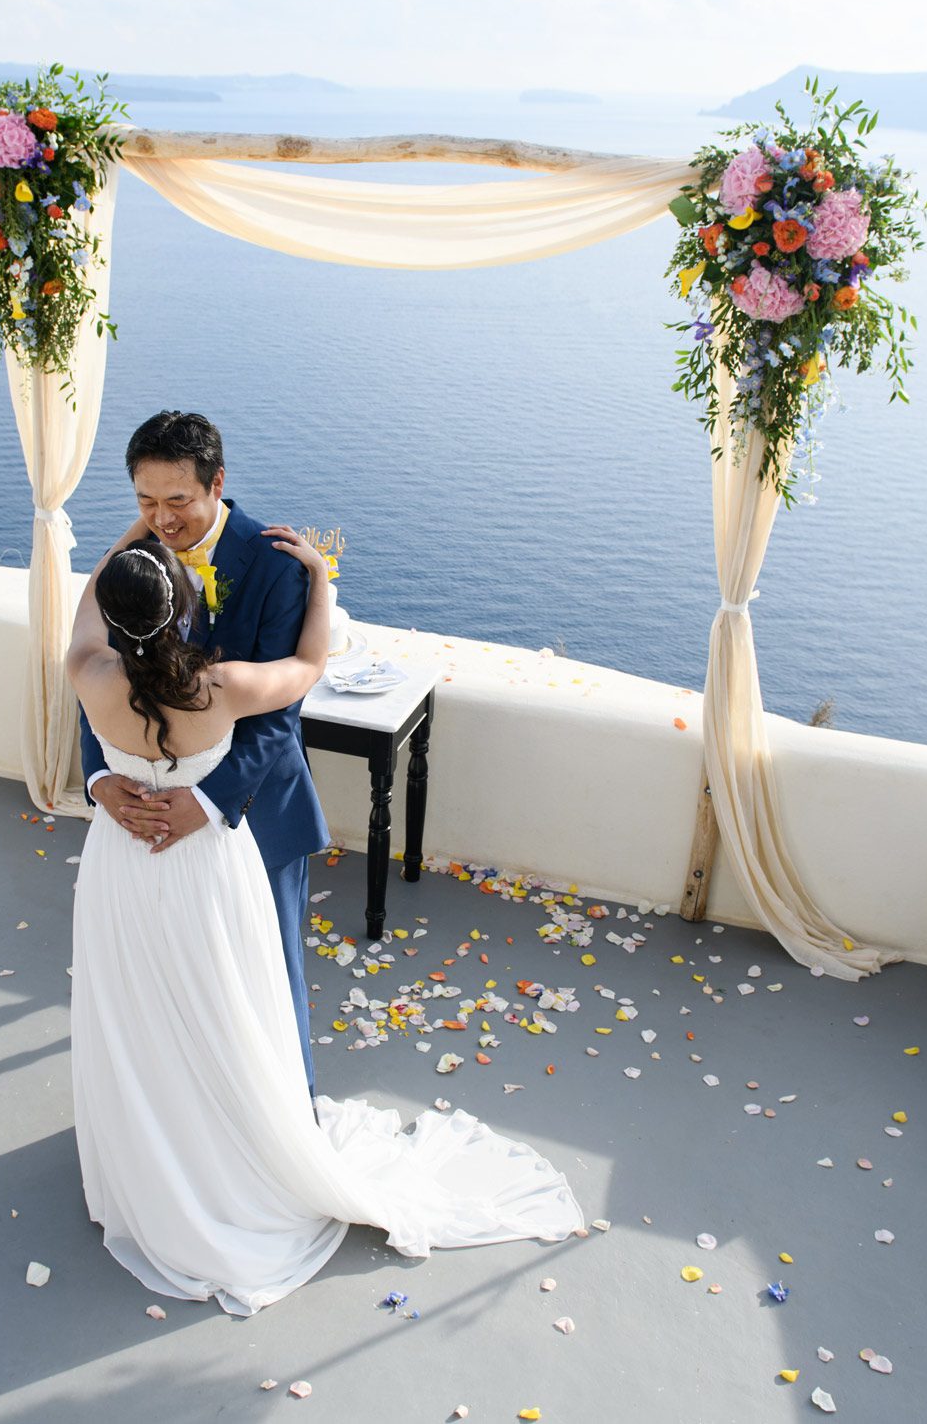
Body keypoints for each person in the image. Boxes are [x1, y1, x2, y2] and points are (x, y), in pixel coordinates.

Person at [64, 512, 586, 1316]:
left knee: (138, 1007)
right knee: (222, 1002)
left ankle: (155, 1164)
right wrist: (319, 576)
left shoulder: (91, 675)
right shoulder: (221, 686)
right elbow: (309, 665)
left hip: (123, 863)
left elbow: (88, 613)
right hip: (204, 863)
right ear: (181, 609)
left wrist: (125, 541)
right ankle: (226, 1156)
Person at [78, 410, 328, 1101]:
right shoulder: (140, 558)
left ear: (217, 483)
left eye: (177, 501)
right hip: (146, 823)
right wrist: (99, 776)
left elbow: (278, 717)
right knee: (160, 984)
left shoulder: (277, 568)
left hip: (254, 817)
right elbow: (96, 678)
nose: (161, 519)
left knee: (269, 977)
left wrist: (210, 802)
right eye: (145, 502)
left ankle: (289, 1119)